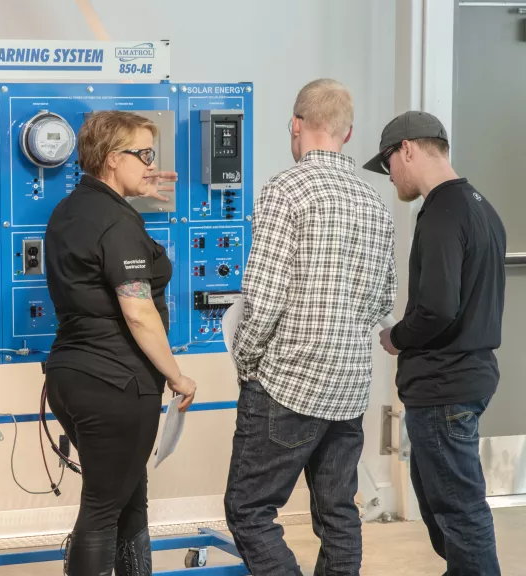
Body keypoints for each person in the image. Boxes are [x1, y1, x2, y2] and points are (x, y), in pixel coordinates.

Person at [225, 78, 397, 576]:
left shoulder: (285, 190)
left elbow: (263, 296)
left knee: (249, 510)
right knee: (339, 515)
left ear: (296, 125)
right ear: (347, 134)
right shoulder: (374, 204)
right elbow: (382, 301)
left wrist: (249, 363)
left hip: (289, 382)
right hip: (348, 388)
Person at [45, 110, 197, 576]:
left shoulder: (72, 210)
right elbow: (138, 311)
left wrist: (133, 205)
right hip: (114, 383)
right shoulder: (116, 223)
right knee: (104, 508)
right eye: (144, 154)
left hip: (71, 378)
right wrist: (177, 375)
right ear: (113, 159)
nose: (152, 164)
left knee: (128, 498)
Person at [364, 111, 505, 575]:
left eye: (388, 165)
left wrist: (396, 337)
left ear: (406, 149)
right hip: (465, 378)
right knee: (446, 510)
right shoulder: (481, 206)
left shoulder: (443, 212)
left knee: (459, 513)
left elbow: (439, 309)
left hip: (445, 386)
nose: (391, 178)